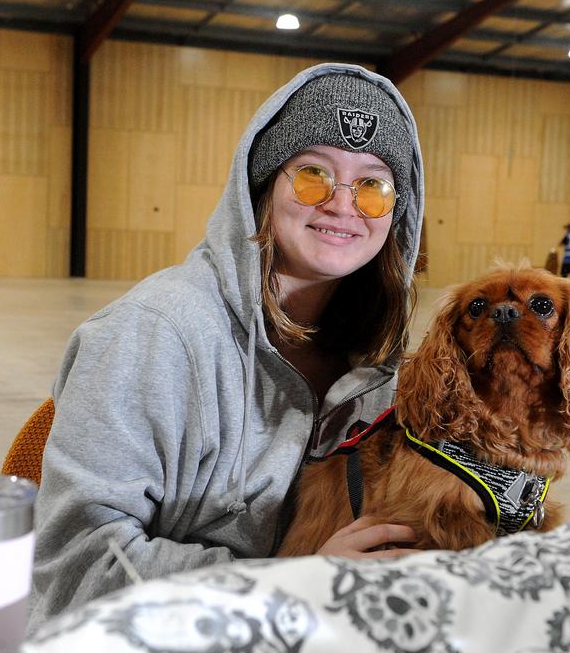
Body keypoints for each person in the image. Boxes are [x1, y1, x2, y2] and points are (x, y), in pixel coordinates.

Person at [26, 63, 426, 631]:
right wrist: (292, 585)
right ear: (261, 187)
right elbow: (78, 566)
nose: (343, 204)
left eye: (373, 185)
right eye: (314, 175)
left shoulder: (375, 362)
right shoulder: (152, 334)